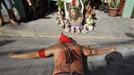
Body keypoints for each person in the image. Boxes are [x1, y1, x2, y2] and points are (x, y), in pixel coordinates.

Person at [9, 32, 116, 75]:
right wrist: (109, 50)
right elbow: (94, 52)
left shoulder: (56, 47)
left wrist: (15, 55)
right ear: (72, 42)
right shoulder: (78, 46)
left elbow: (35, 54)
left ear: (60, 42)